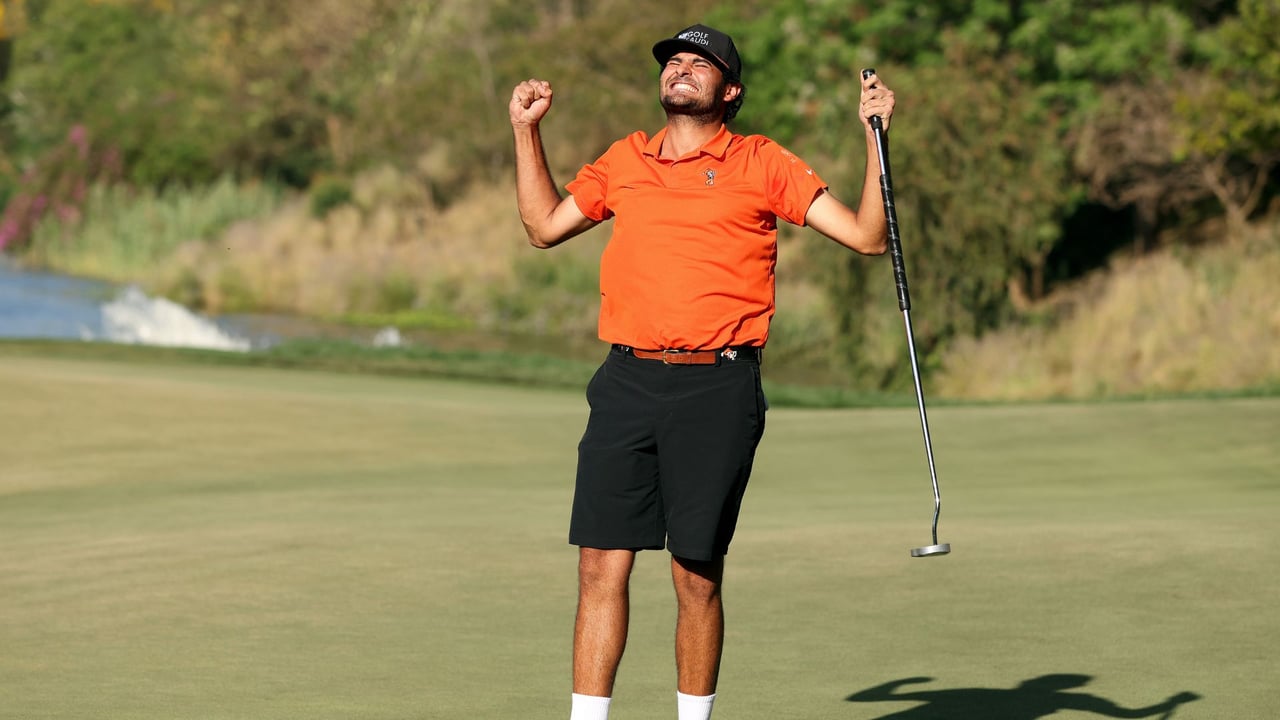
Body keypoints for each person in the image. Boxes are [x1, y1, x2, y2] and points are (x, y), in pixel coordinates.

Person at [509, 22, 895, 720]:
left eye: (700, 63)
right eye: (674, 61)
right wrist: (524, 131)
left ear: (731, 90)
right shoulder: (625, 159)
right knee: (600, 565)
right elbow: (542, 226)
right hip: (625, 381)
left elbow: (868, 237)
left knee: (695, 576)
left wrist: (875, 136)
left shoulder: (761, 161)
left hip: (717, 384)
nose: (682, 70)